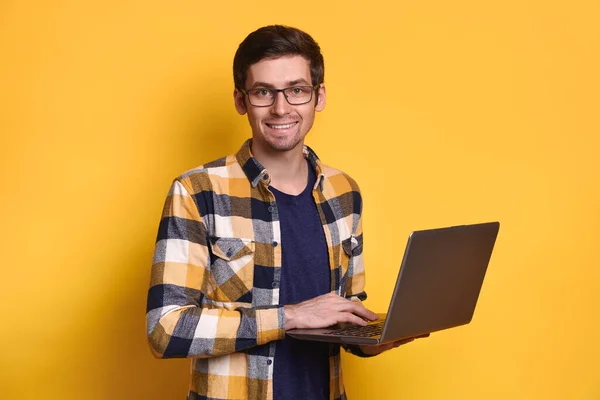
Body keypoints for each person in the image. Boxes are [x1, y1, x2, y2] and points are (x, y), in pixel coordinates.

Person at [146, 25, 425, 400]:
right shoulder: (197, 191)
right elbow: (165, 329)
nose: (281, 108)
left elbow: (343, 314)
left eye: (296, 90)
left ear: (318, 96)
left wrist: (380, 334)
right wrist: (289, 317)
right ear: (241, 100)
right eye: (263, 92)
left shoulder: (345, 192)